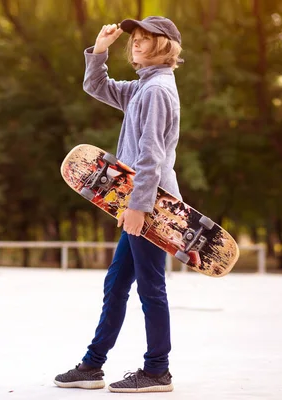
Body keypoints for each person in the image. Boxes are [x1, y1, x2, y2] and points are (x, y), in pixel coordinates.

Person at [53, 16, 184, 393]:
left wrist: (139, 208)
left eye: (146, 39)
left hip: (151, 203)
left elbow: (151, 157)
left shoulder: (158, 90)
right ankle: (93, 365)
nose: (137, 44)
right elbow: (95, 85)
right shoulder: (142, 87)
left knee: (150, 287)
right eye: (136, 39)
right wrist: (99, 50)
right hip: (136, 202)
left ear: (165, 46)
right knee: (116, 284)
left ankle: (157, 370)